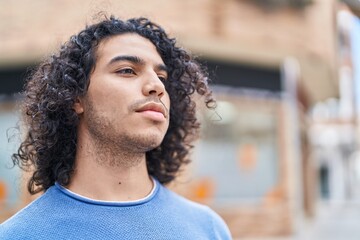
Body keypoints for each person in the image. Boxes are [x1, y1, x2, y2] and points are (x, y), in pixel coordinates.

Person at [0, 16, 232, 239]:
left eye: (161, 76)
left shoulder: (208, 229)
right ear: (76, 98)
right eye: (127, 70)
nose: (156, 86)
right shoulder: (18, 235)